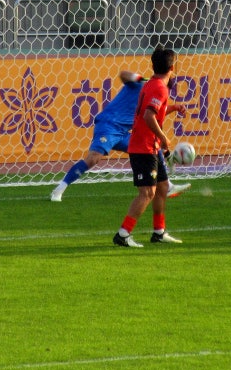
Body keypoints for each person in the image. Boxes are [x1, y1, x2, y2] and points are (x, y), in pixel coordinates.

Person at [50, 69, 189, 202]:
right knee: (93, 159)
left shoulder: (155, 95)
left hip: (123, 133)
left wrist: (175, 107)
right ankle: (59, 190)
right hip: (109, 126)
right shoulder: (142, 84)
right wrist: (139, 77)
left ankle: (169, 186)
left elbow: (156, 113)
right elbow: (123, 74)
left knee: (152, 145)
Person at [112, 47, 182, 248]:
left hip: (149, 146)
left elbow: (153, 110)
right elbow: (148, 116)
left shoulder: (151, 84)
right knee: (147, 193)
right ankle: (123, 234)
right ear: (172, 67)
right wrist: (164, 137)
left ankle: (159, 232)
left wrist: (174, 108)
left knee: (161, 189)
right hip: (144, 147)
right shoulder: (160, 88)